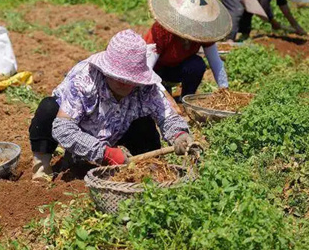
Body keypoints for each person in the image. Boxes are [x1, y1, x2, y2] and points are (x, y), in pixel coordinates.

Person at [29, 30, 193, 181]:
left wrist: (179, 135)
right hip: (82, 132)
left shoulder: (146, 87)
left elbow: (168, 116)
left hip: (121, 129)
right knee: (49, 108)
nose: (123, 83)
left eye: (129, 80)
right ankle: (42, 168)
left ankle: (149, 173)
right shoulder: (85, 78)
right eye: (118, 77)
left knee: (144, 126)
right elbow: (63, 129)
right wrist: (104, 153)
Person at [144, 0, 231, 99]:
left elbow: (215, 61)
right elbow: (147, 68)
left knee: (197, 64)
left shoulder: (203, 31)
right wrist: (164, 95)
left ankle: (186, 99)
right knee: (157, 98)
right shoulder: (162, 30)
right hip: (156, 70)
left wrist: (224, 89)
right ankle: (160, 93)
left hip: (176, 70)